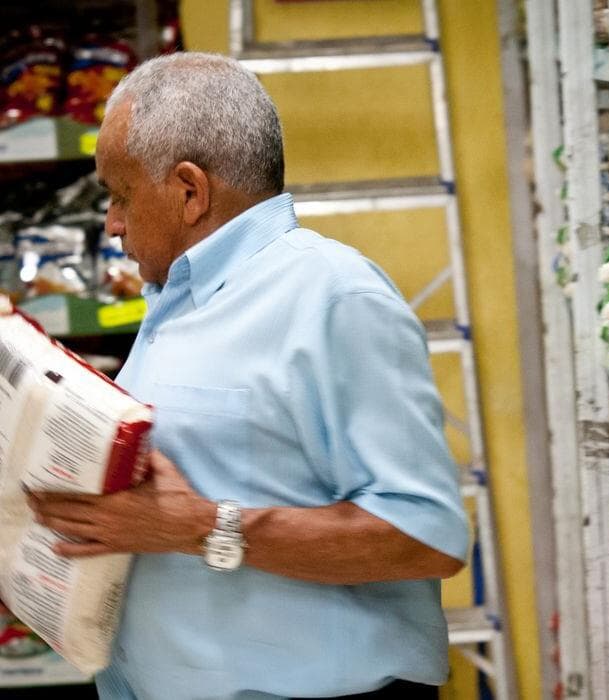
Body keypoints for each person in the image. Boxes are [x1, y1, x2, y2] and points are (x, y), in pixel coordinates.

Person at [28, 52, 470, 700]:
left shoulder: (333, 297)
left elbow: (423, 539)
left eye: (120, 197)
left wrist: (201, 526)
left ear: (189, 190)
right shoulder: (174, 302)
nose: (112, 225)